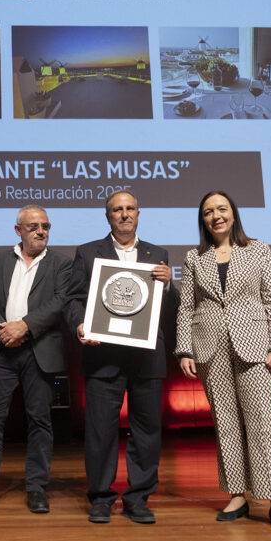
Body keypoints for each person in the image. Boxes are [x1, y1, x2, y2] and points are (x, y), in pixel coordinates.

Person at [174, 190, 271, 532]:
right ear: (202, 220)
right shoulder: (195, 257)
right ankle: (237, 495)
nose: (216, 216)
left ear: (233, 214)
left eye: (222, 209)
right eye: (208, 212)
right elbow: (187, 307)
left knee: (263, 424)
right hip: (210, 347)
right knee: (225, 424)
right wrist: (184, 349)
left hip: (256, 346)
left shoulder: (258, 250)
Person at [64, 190, 176, 524]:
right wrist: (81, 324)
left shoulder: (158, 254)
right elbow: (71, 300)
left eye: (129, 209)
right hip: (103, 358)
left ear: (138, 214)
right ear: (108, 216)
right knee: (99, 432)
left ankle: (138, 498)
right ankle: (101, 498)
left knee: (146, 431)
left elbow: (167, 309)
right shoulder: (87, 253)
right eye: (117, 209)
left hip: (146, 358)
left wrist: (170, 285)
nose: (124, 214)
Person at [0, 205, 71, 515]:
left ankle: (36, 488)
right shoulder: (1, 258)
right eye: (33, 226)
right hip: (2, 350)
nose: (41, 231)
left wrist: (26, 326)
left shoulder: (61, 264)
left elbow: (60, 303)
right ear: (18, 230)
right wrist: (2, 329)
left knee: (40, 421)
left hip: (40, 351)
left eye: (45, 226)